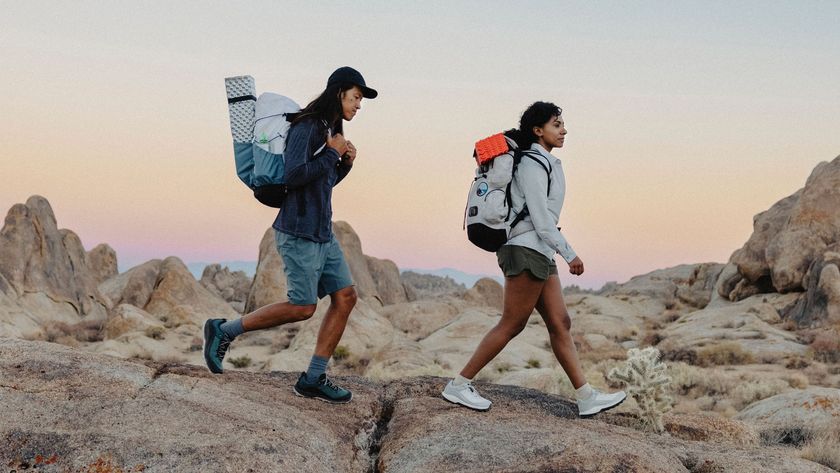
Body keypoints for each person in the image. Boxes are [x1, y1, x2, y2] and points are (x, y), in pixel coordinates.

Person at [203, 66, 377, 403]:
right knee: (302, 306)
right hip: (298, 232)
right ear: (339, 92)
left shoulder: (327, 129)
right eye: (356, 97)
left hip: (321, 233)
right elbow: (294, 176)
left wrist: (343, 166)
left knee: (346, 297)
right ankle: (223, 330)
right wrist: (332, 153)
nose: (359, 105)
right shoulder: (308, 125)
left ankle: (313, 377)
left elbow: (319, 184)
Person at [442, 102, 626, 416]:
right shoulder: (531, 163)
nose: (564, 130)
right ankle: (458, 385)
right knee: (513, 323)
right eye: (556, 124)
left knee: (560, 322)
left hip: (539, 249)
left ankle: (586, 397)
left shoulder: (545, 162)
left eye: (563, 123)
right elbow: (541, 219)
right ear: (538, 131)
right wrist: (570, 254)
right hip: (526, 247)